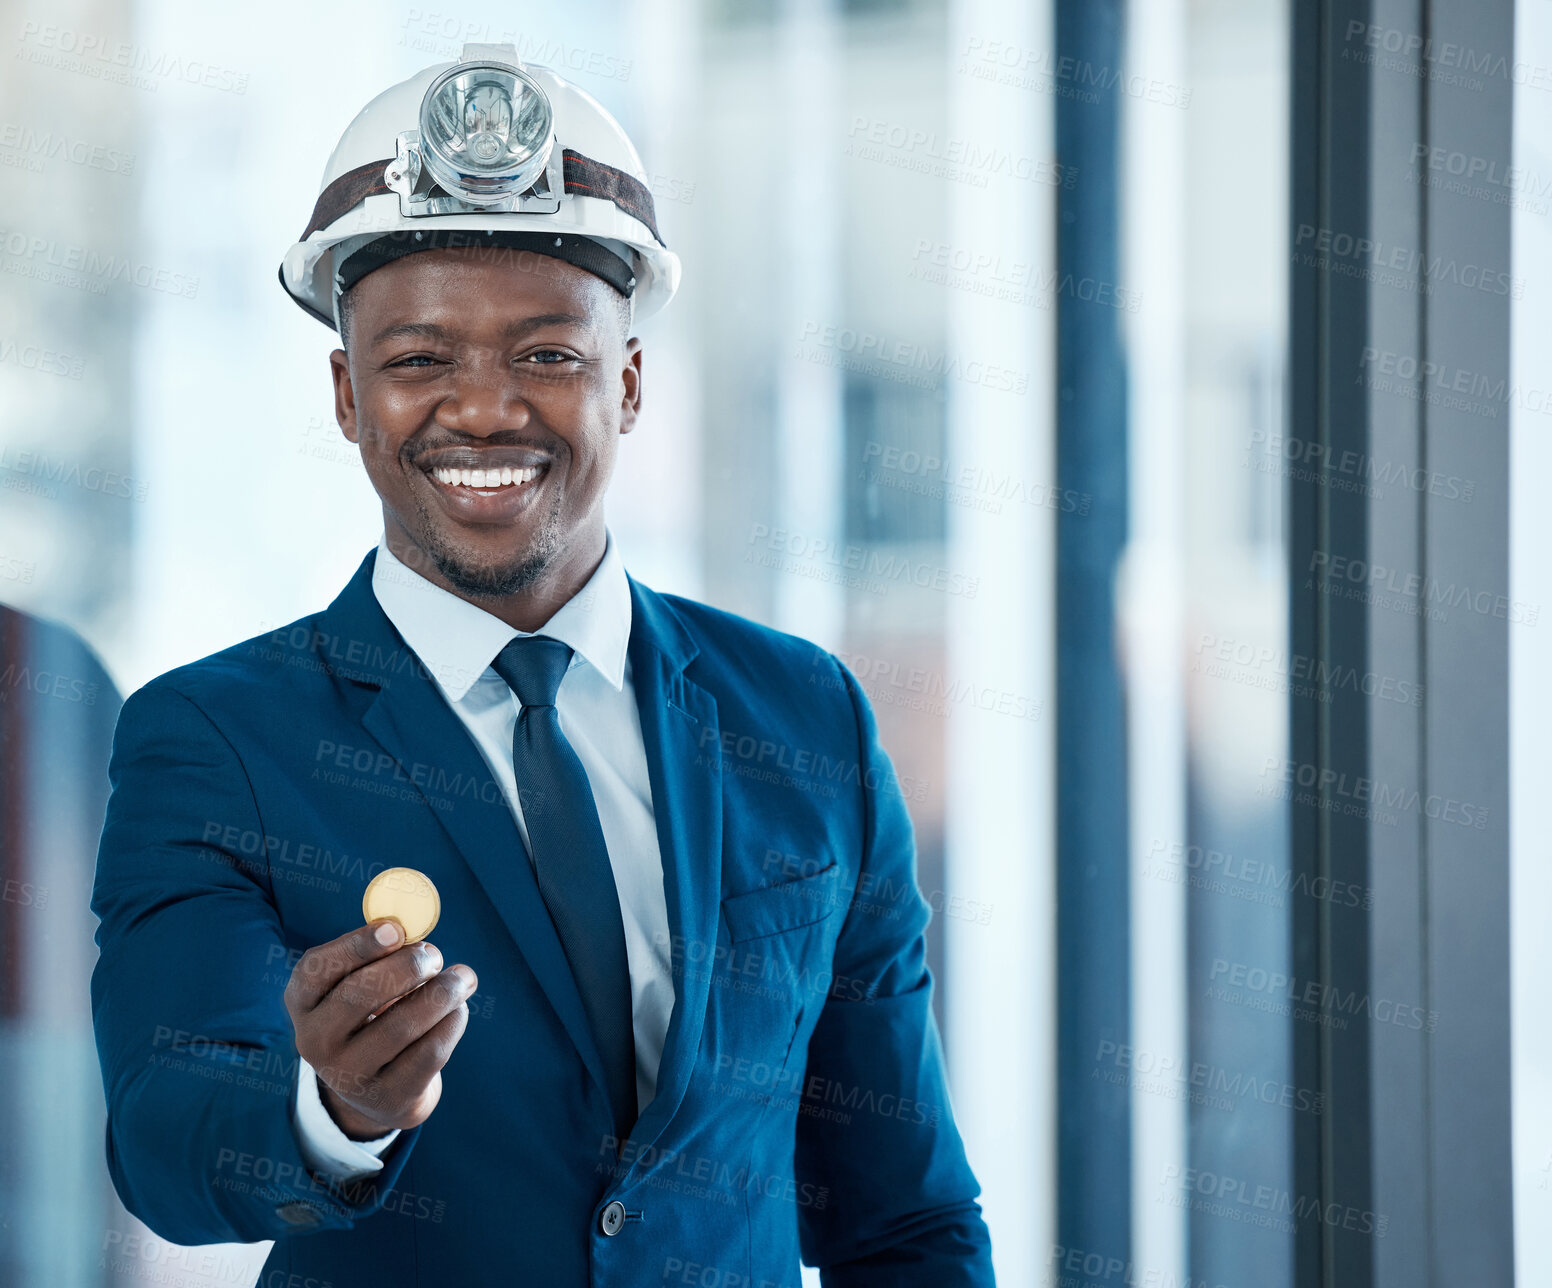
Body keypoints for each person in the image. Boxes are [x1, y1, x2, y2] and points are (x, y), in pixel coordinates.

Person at [90, 44, 994, 1286]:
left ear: (626, 382)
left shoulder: (803, 718)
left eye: (547, 355)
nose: (482, 409)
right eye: (417, 361)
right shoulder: (210, 739)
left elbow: (904, 1218)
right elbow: (164, 1138)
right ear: (348, 395)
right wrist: (334, 1110)